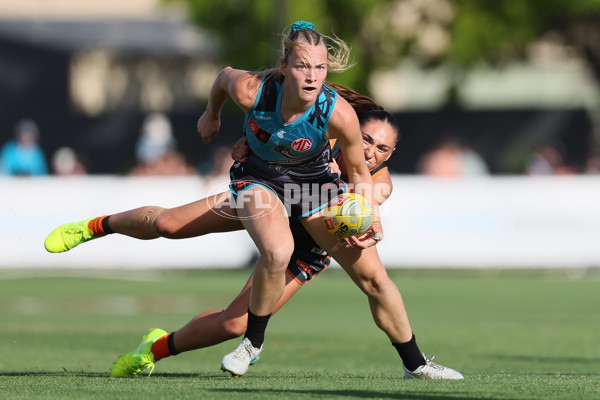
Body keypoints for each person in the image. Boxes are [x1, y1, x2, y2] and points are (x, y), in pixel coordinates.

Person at [44, 21, 462, 379]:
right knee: (169, 225)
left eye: (383, 149)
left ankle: (152, 351)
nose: (372, 151)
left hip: (311, 210)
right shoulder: (274, 98)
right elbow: (228, 79)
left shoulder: (363, 155)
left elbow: (364, 188)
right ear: (287, 67)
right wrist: (217, 118)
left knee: (243, 319)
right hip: (264, 189)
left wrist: (366, 219)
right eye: (369, 140)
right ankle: (95, 226)